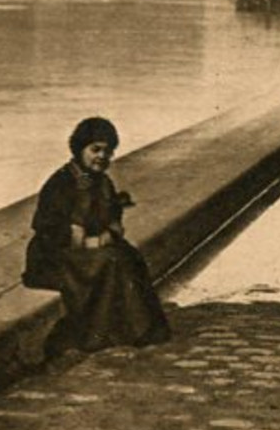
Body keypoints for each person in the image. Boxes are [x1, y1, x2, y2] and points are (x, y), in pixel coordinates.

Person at [22, 116, 171, 351]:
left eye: (108, 151)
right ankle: (102, 335)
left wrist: (106, 235)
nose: (102, 156)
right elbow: (47, 230)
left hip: (88, 252)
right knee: (111, 260)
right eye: (96, 149)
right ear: (80, 149)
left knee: (128, 255)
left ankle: (140, 328)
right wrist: (89, 242)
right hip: (53, 256)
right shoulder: (60, 183)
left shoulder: (103, 182)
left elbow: (113, 219)